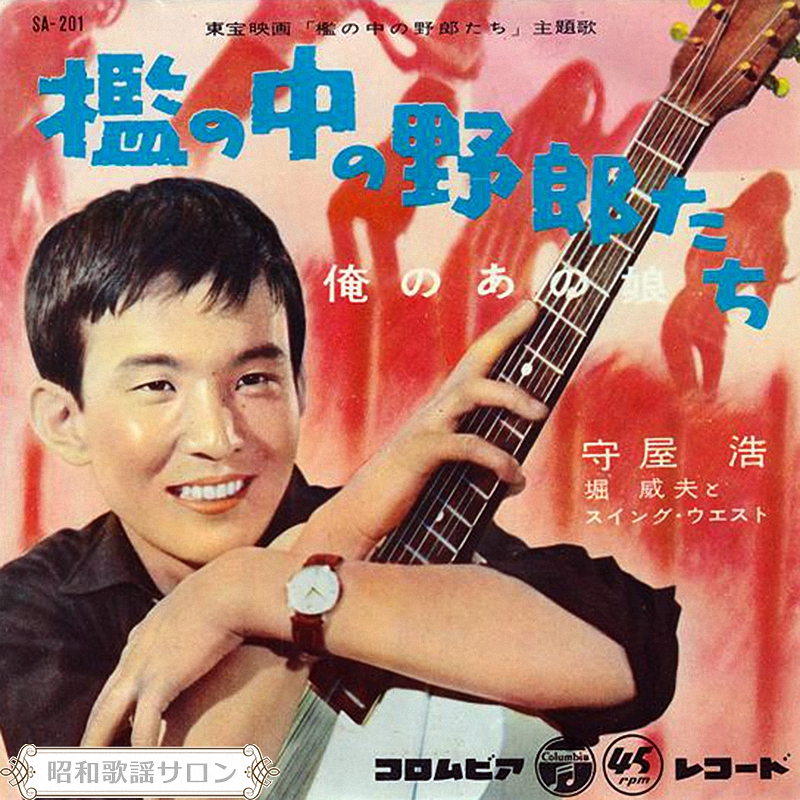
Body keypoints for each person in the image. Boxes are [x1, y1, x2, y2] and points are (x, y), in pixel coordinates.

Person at [0, 178, 679, 764]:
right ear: (65, 421)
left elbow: (628, 654)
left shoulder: (406, 526)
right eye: (157, 387)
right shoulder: (28, 611)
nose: (217, 437)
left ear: (299, 387)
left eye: (255, 379)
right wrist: (341, 529)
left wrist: (246, 591)